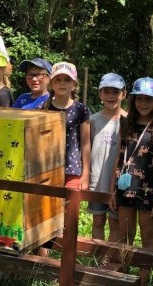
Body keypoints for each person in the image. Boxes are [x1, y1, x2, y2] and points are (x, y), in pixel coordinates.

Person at [113, 77, 153, 286]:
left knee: (147, 237)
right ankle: (124, 280)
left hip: (150, 190)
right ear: (133, 100)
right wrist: (109, 190)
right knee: (125, 235)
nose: (143, 103)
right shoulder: (125, 122)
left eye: (148, 99)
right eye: (140, 99)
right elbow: (118, 156)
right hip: (125, 187)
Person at [88, 73, 126, 244]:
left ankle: (110, 262)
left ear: (123, 94)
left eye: (115, 92)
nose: (111, 96)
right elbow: (86, 149)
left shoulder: (129, 120)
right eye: (107, 92)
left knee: (115, 223)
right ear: (100, 94)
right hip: (97, 181)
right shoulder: (92, 120)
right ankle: (96, 257)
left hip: (118, 184)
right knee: (97, 221)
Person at [44, 62, 91, 191]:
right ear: (51, 84)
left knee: (70, 210)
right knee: (50, 210)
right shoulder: (43, 108)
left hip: (73, 170)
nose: (62, 83)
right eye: (58, 80)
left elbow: (86, 143)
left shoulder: (81, 109)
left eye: (67, 80)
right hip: (48, 169)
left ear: (74, 84)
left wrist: (86, 174)